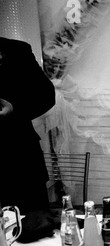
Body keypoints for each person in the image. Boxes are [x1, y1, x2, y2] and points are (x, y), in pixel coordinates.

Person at [0, 37, 56, 215]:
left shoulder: (16, 49)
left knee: (35, 226)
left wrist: (15, 109)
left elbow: (46, 95)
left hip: (20, 157)